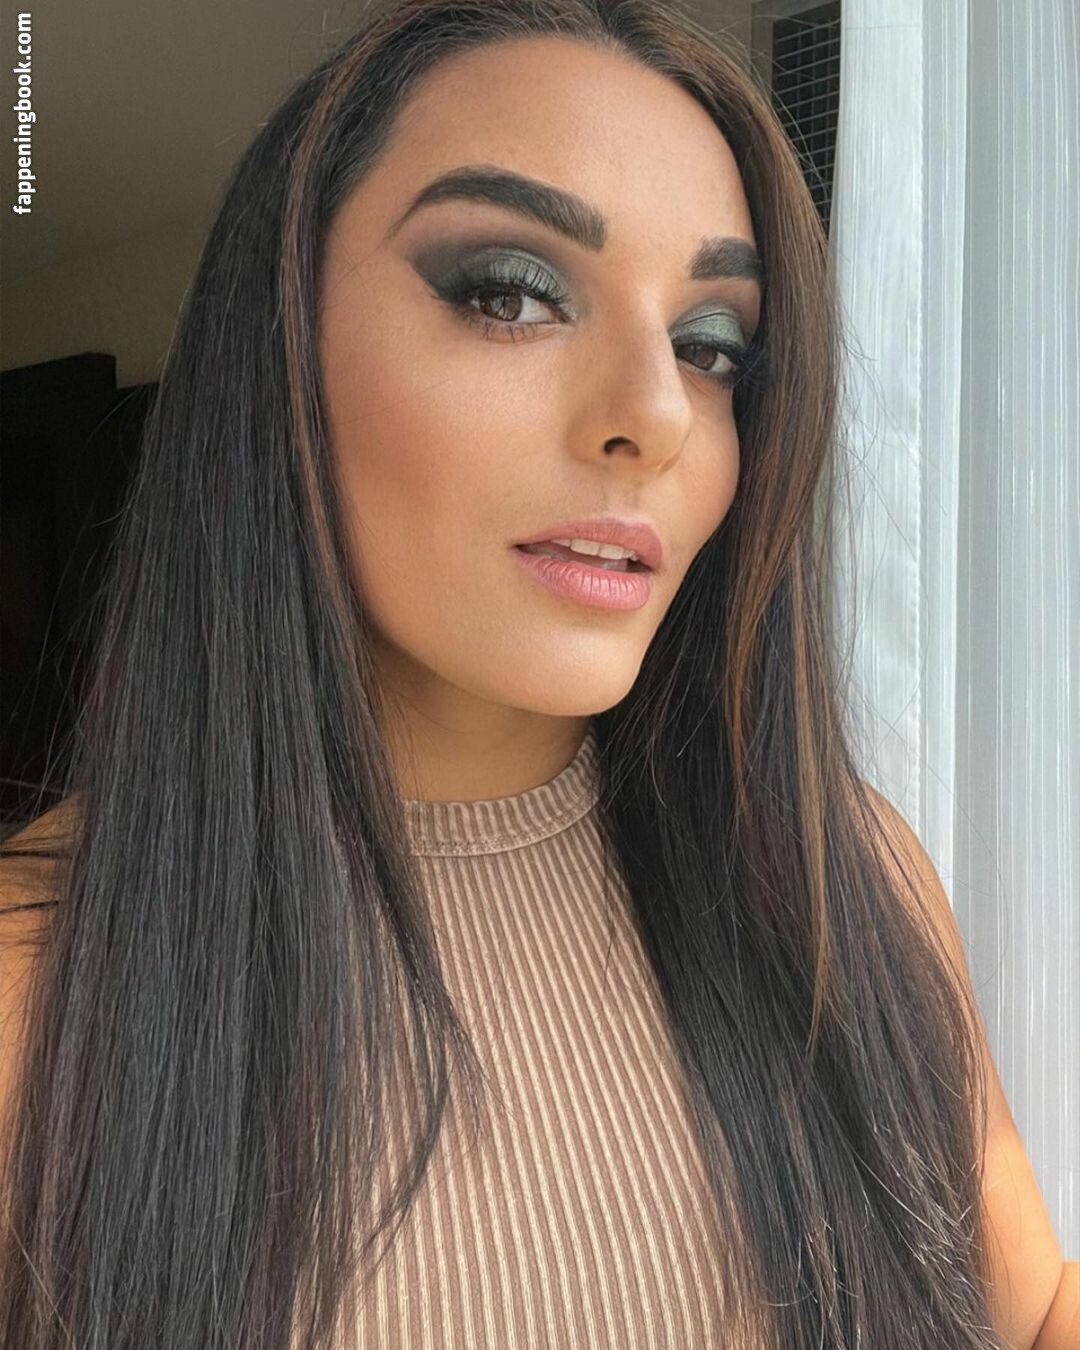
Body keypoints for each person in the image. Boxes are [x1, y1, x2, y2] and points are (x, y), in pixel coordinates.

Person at [1, 1, 1073, 1346]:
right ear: (275, 347)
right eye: (510, 291)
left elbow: (1032, 1309)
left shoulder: (835, 878)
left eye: (712, 344)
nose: (657, 413)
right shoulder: (41, 990)